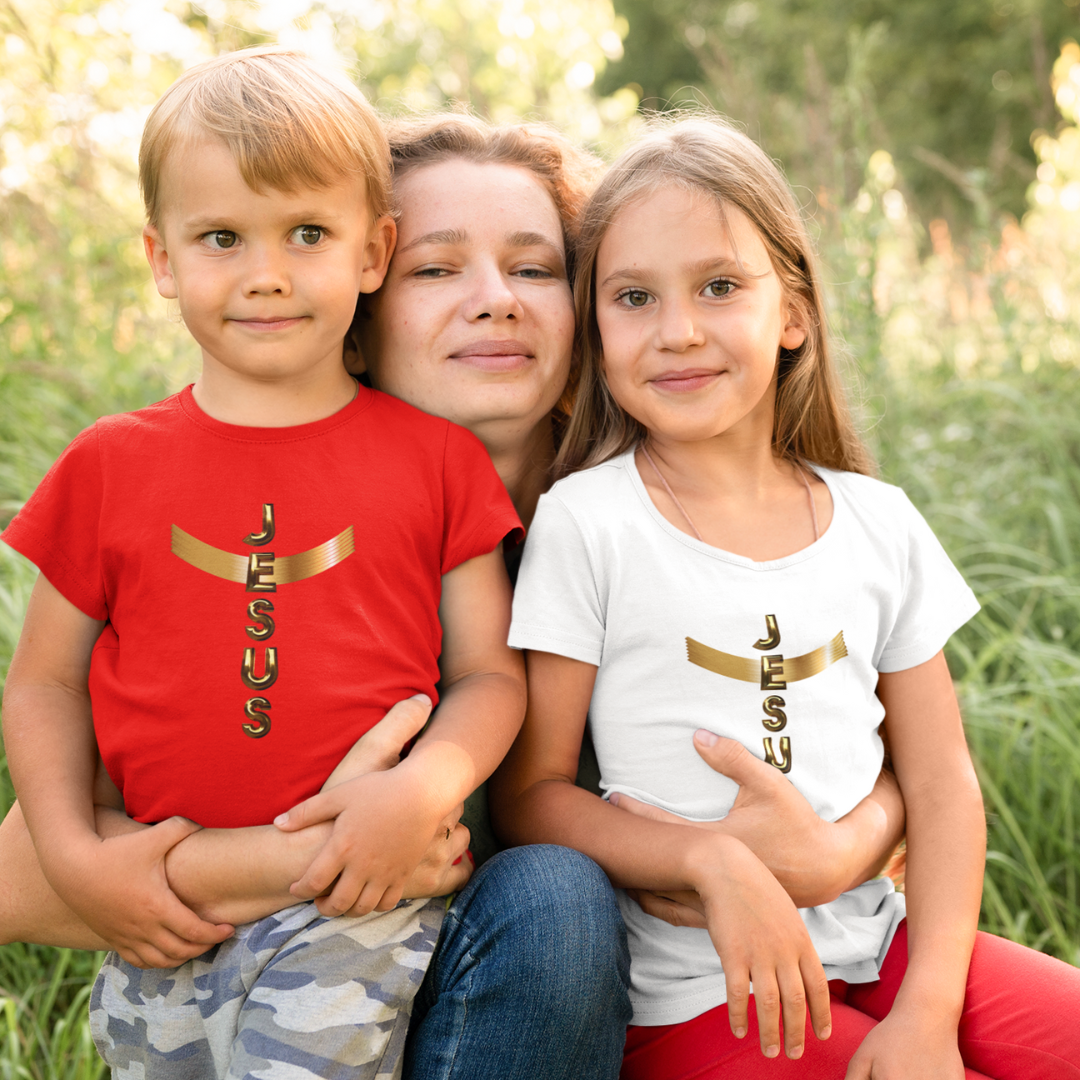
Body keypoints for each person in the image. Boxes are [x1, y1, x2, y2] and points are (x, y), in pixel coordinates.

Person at [0, 107, 906, 1080]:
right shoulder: (292, 546)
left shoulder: (660, 520)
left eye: (534, 267)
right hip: (326, 1013)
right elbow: (20, 884)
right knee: (554, 893)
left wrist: (845, 844)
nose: (494, 300)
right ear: (361, 299)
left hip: (711, 998)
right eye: (437, 269)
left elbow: (892, 756)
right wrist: (322, 847)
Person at [493, 115, 1080, 1079]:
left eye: (720, 287)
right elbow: (532, 796)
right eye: (633, 296)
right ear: (597, 326)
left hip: (888, 947)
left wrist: (929, 1011)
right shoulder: (589, 521)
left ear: (794, 310)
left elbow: (941, 783)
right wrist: (705, 858)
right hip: (703, 994)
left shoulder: (877, 520)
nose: (678, 330)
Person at [0, 48, 527, 1079]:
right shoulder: (110, 464)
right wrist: (79, 862)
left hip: (353, 909)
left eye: (308, 234)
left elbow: (491, 676)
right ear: (161, 258)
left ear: (373, 251)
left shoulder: (435, 462)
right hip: (158, 913)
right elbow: (46, 682)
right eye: (221, 238)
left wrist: (427, 787)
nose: (267, 273)